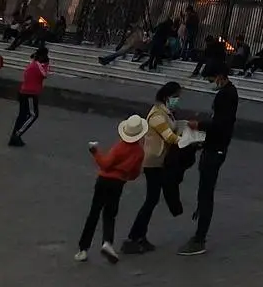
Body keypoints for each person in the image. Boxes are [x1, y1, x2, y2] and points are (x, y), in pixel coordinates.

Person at [122, 81, 187, 252]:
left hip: (160, 160)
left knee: (152, 199)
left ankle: (139, 236)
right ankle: (133, 237)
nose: (178, 100)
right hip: (153, 162)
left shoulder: (166, 112)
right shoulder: (157, 115)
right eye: (176, 96)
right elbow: (169, 137)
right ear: (167, 96)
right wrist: (188, 141)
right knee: (151, 200)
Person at [180, 65, 237, 256]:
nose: (210, 83)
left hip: (215, 150)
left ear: (220, 76)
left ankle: (199, 238)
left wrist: (200, 125)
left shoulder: (225, 95)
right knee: (204, 191)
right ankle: (199, 234)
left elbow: (220, 124)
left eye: (211, 79)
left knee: (205, 192)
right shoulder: (228, 92)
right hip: (214, 147)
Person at [76, 114, 147, 263]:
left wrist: (95, 152)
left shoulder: (120, 146)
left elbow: (105, 164)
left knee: (94, 213)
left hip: (103, 180)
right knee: (110, 214)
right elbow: (134, 173)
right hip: (118, 184)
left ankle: (83, 249)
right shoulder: (139, 152)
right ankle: (107, 242)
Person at [8, 42, 49, 146]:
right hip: (30, 94)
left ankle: (15, 137)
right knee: (33, 115)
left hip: (24, 92)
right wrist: (45, 64)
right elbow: (44, 74)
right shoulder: (37, 65)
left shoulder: (32, 63)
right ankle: (17, 135)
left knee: (22, 115)